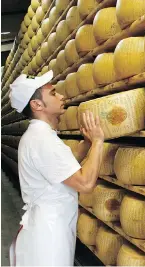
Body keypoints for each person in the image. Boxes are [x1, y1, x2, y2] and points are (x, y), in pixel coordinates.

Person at [9, 70, 104, 266]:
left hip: (46, 227)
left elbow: (61, 169)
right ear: (37, 105)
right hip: (49, 235)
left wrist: (86, 144)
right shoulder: (43, 140)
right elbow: (85, 183)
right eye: (53, 93)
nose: (61, 96)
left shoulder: (39, 136)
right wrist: (98, 142)